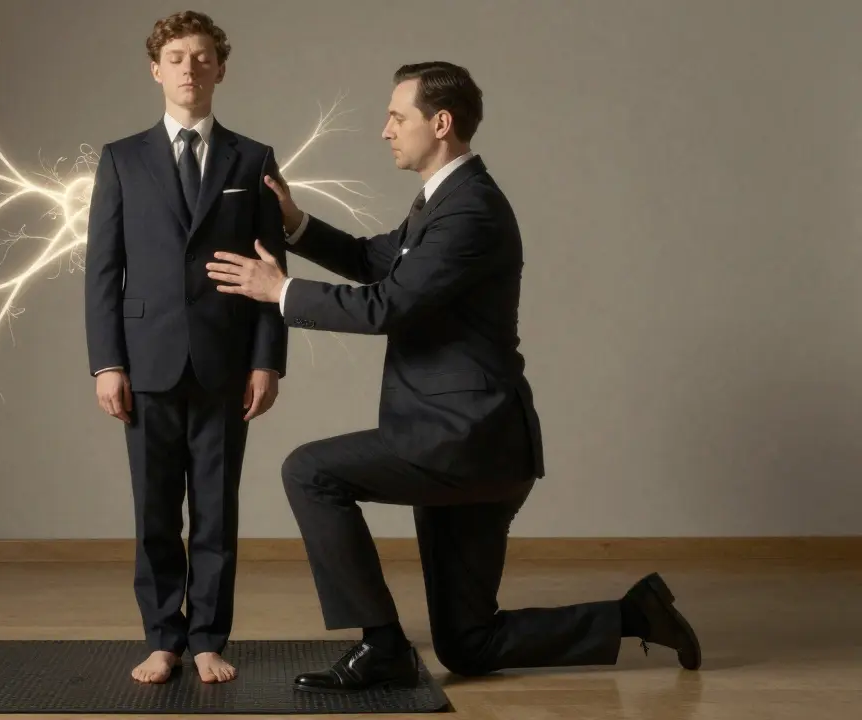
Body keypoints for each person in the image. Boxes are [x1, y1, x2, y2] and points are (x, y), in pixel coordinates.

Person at [205, 61, 701, 692]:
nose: (385, 129)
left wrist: (280, 291)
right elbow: (375, 261)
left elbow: (388, 306)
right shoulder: (445, 202)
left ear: (440, 123)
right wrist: (295, 224)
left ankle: (382, 646)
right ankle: (635, 615)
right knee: (469, 644)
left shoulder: (471, 211)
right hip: (474, 443)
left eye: (397, 116)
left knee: (309, 471)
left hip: (464, 442)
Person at [84, 10, 289, 685]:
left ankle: (207, 638)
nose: (189, 68)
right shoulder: (121, 159)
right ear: (155, 69)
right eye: (176, 57)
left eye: (202, 57)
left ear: (220, 69)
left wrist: (266, 359)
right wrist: (107, 363)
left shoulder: (252, 159)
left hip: (226, 360)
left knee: (216, 509)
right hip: (145, 360)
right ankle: (162, 638)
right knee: (154, 510)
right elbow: (103, 270)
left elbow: (272, 268)